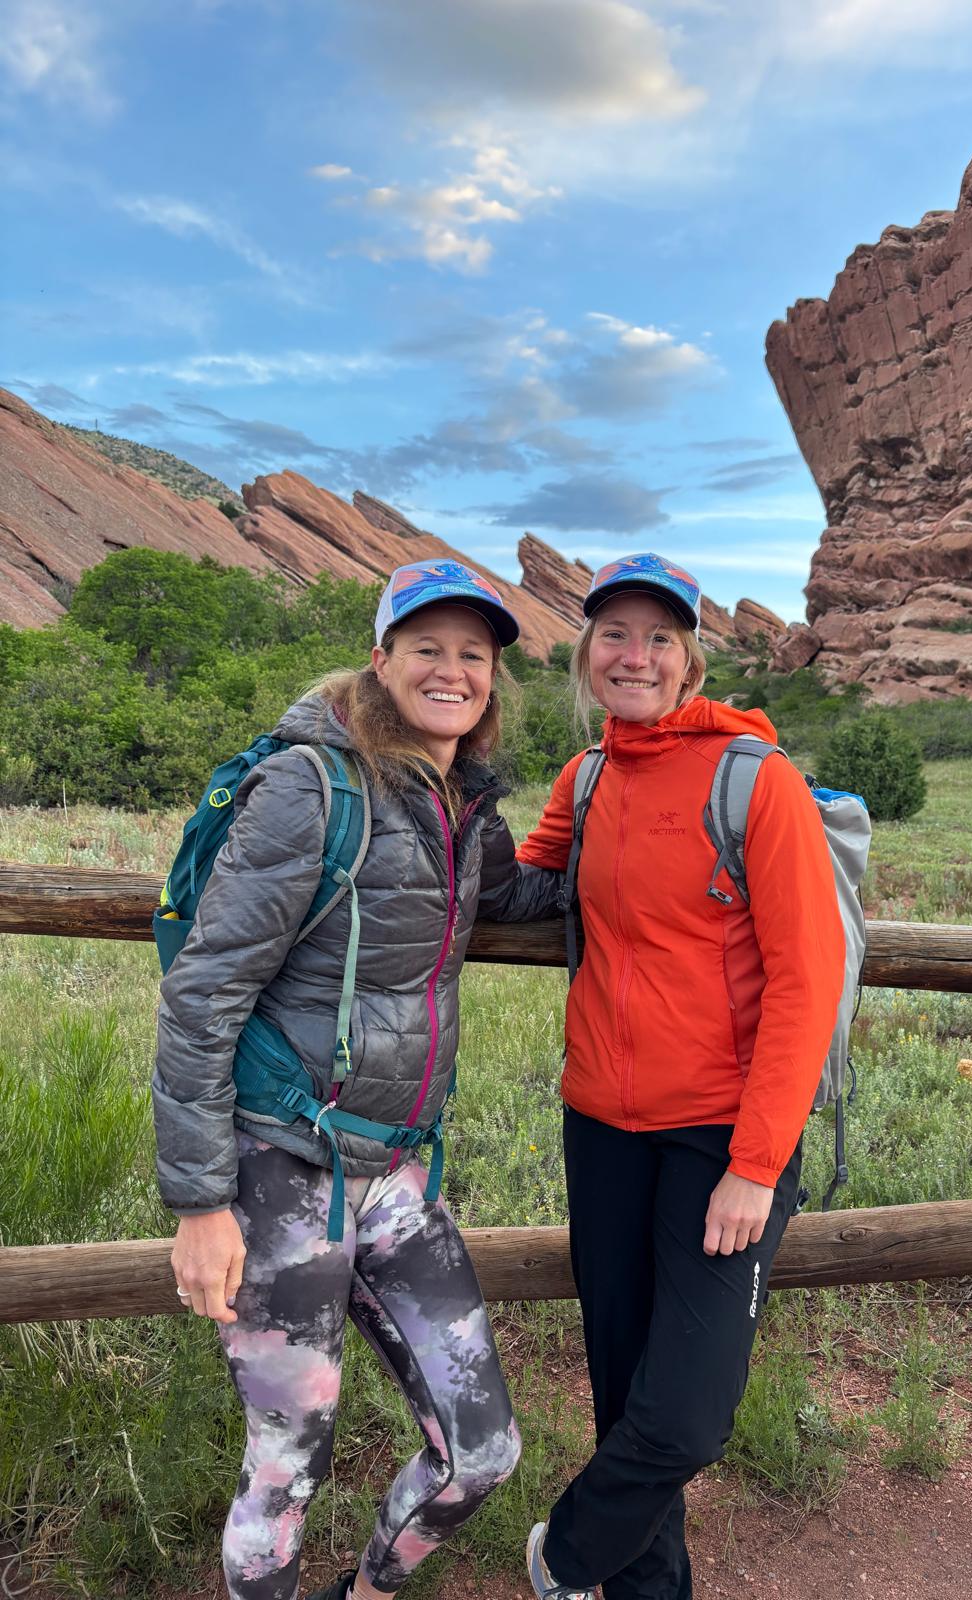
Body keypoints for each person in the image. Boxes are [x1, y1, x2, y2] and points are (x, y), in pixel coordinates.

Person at [152, 559, 556, 1600]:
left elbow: (510, 896)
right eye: (427, 647)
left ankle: (370, 1590)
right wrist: (199, 1204)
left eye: (473, 654)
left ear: (492, 679)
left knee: (483, 1451)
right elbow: (203, 994)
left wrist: (653, 845)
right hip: (280, 1168)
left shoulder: (461, 798)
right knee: (287, 1464)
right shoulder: (310, 786)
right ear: (382, 659)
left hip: (396, 1171)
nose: (451, 670)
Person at [514, 553, 847, 1600]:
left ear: (690, 658)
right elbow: (521, 881)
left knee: (689, 1414)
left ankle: (564, 1556)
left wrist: (757, 1163)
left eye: (660, 637)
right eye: (615, 634)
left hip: (722, 1137)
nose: (636, 656)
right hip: (602, 1128)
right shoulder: (587, 778)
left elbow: (806, 981)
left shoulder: (755, 780)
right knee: (624, 1384)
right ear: (586, 653)